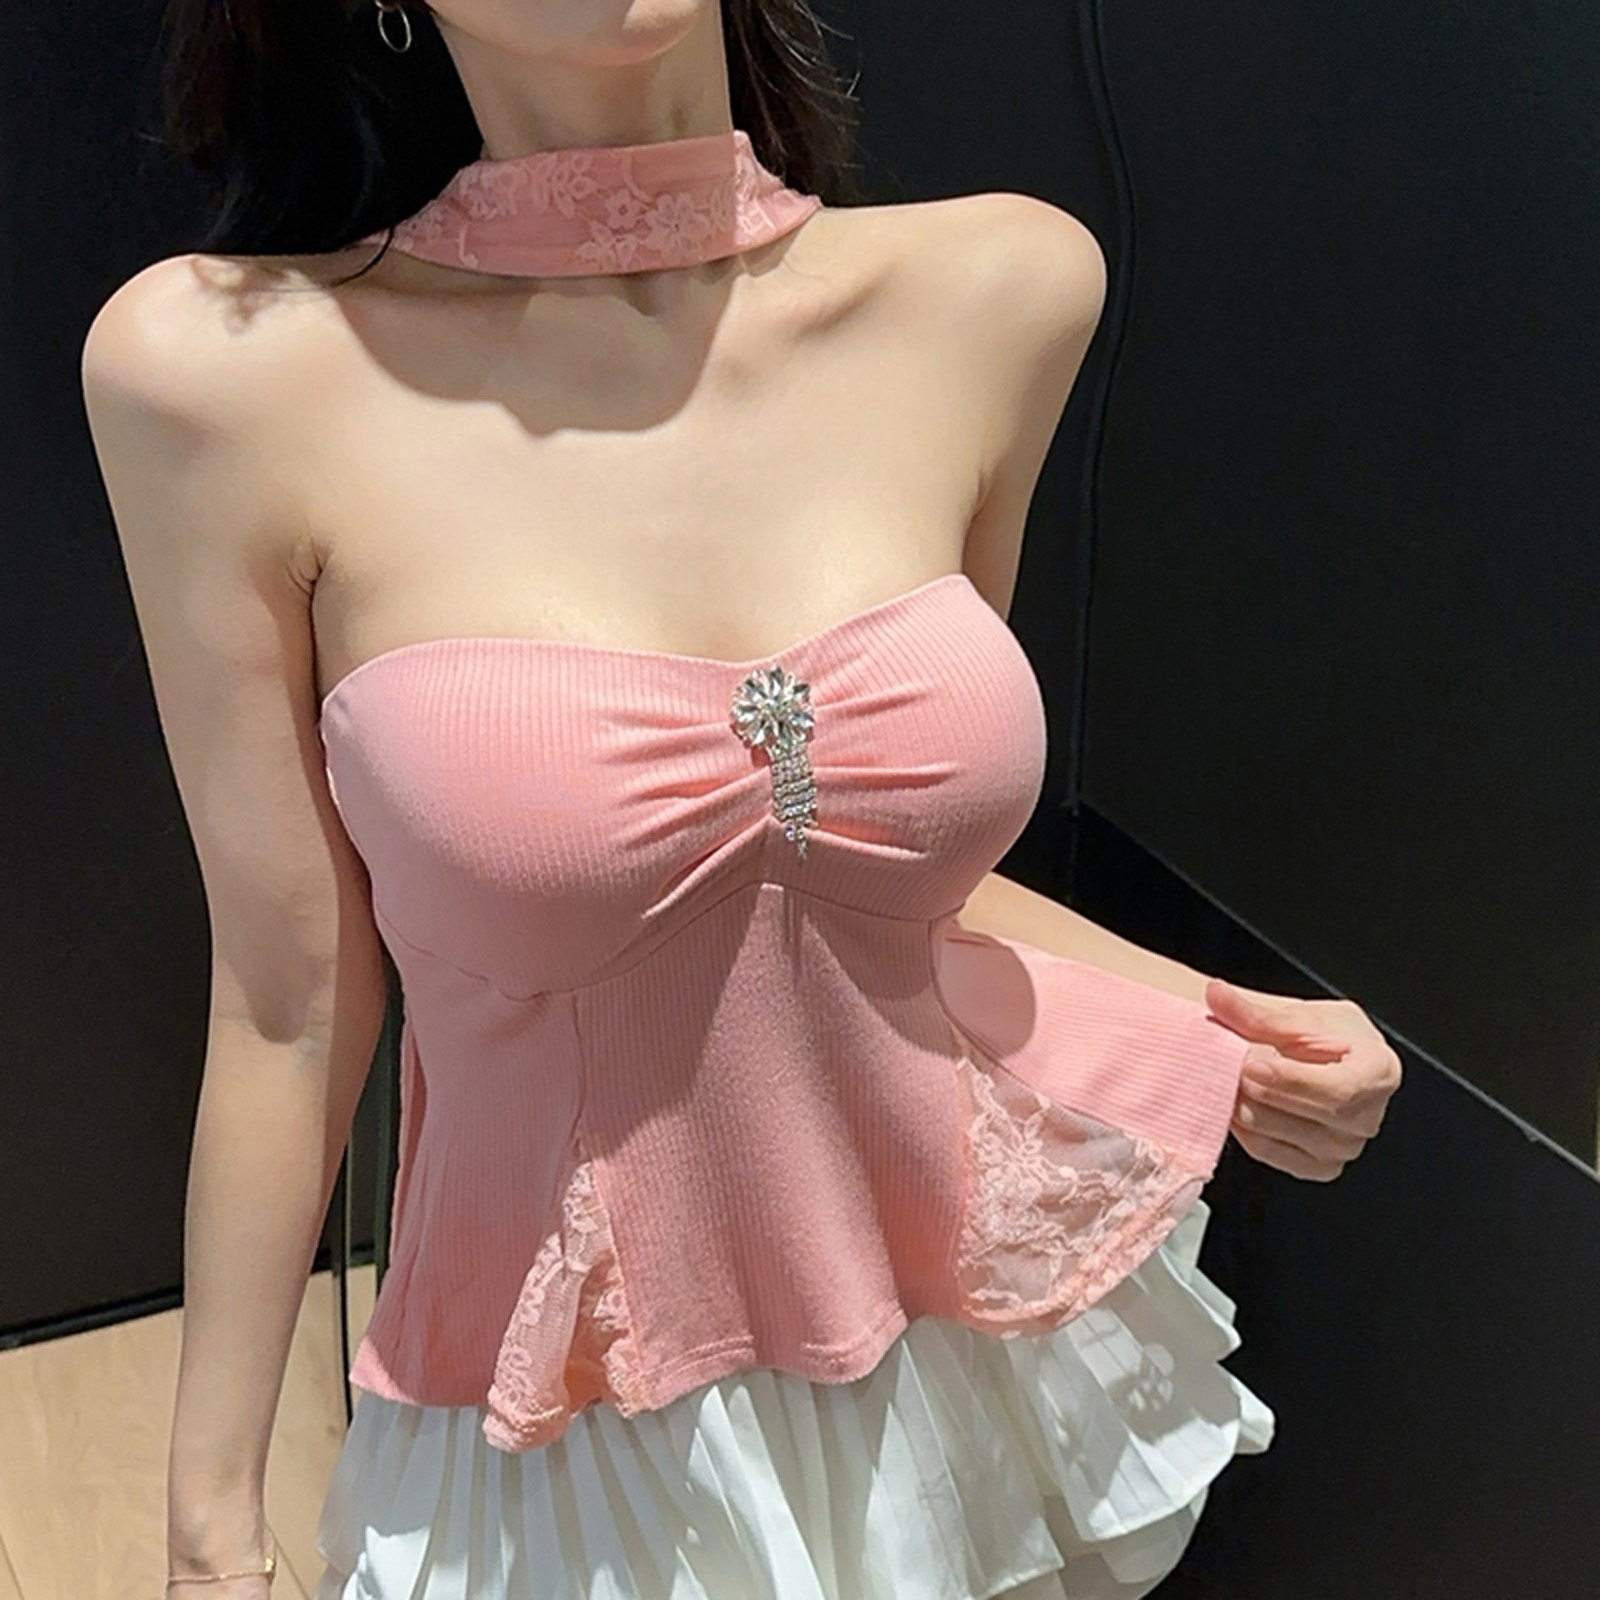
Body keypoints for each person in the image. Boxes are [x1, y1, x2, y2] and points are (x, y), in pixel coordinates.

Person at [80, 1, 1403, 1595]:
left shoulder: (996, 293)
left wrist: (1226, 1018)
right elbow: (290, 1004)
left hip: (947, 1362)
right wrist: (210, 1532)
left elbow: (879, 877)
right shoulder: (225, 380)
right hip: (583, 1423)